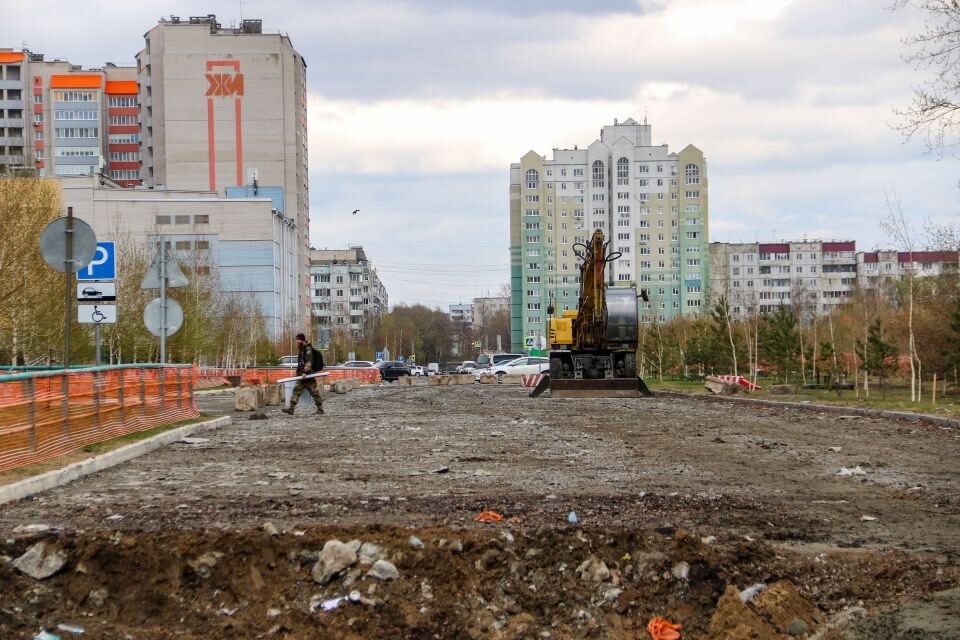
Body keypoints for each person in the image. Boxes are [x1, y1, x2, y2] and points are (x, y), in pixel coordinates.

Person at [281, 333, 324, 415]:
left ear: (302, 340)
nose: (297, 341)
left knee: (314, 392)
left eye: (298, 339)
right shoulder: (301, 348)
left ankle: (320, 409)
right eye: (296, 339)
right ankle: (291, 408)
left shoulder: (307, 349)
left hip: (308, 375)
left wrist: (305, 372)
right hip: (302, 375)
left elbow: (309, 361)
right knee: (296, 390)